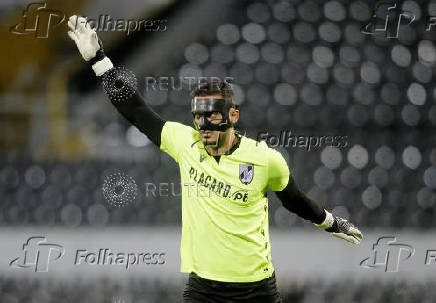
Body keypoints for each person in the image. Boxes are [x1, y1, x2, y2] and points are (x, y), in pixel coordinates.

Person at [67, 15, 362, 303]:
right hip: (203, 288)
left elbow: (294, 200)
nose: (204, 127)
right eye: (198, 118)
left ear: (233, 115)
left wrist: (331, 222)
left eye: (213, 118)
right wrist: (99, 62)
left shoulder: (265, 159)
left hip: (257, 289)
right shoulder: (185, 142)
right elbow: (135, 109)